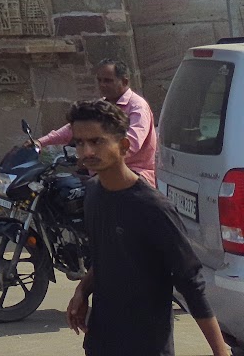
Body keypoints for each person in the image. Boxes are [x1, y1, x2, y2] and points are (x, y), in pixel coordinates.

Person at [65, 98, 225, 356]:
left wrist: (220, 351)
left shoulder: (153, 208)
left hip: (147, 345)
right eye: (80, 143)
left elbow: (190, 282)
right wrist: (82, 290)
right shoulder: (93, 193)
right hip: (100, 341)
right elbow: (106, 257)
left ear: (124, 146)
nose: (86, 152)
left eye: (97, 141)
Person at [37, 58, 158, 186]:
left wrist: (94, 157)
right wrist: (41, 142)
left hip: (133, 174)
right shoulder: (103, 105)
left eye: (108, 81)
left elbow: (133, 142)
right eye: (99, 80)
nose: (102, 85)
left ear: (124, 82)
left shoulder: (137, 106)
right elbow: (76, 127)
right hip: (101, 174)